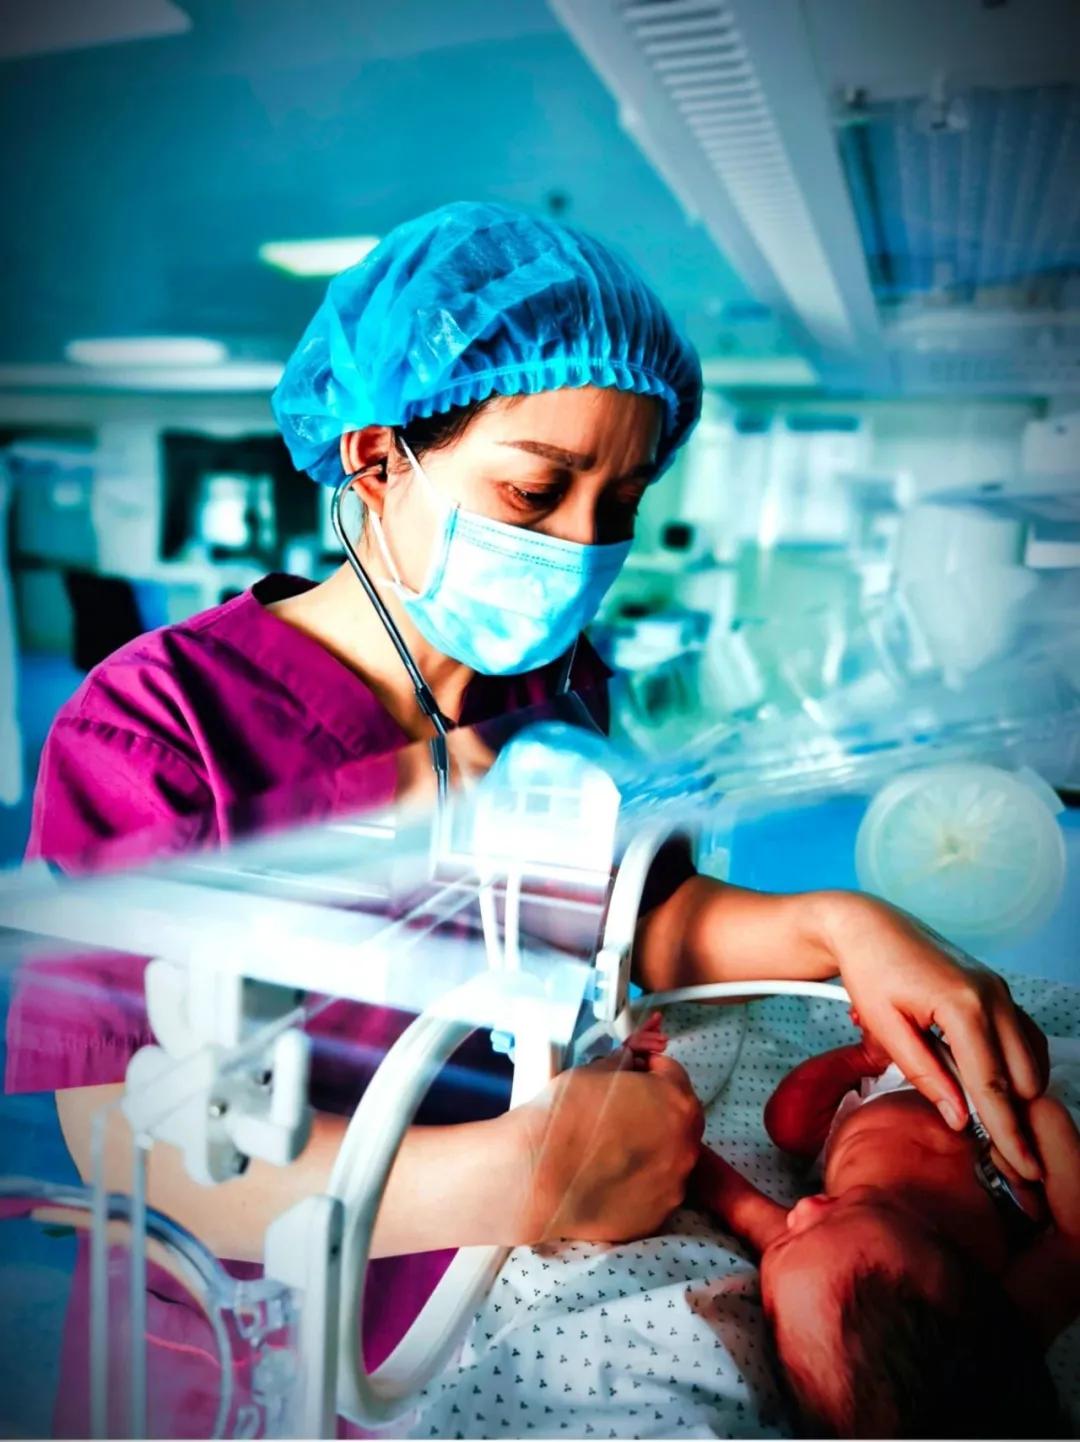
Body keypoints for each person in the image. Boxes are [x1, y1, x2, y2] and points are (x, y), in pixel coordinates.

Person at [4, 201, 1051, 1433]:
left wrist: (840, 926)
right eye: (537, 488)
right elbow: (118, 1136)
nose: (582, 547)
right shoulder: (156, 726)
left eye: (622, 502)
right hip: (245, 1346)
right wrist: (519, 1176)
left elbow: (619, 918)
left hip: (513, 1309)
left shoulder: (553, 684)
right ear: (376, 458)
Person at [688, 1013, 1080, 1437]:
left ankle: (864, 1057)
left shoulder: (809, 1268)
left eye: (783, 1246)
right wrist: (1041, 1121)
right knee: (1021, 1051)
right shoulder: (1008, 1318)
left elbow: (736, 1202)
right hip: (974, 1105)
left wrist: (676, 1143)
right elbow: (1074, 1241)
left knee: (786, 1120)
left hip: (854, 1114)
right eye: (845, 1209)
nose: (802, 1210)